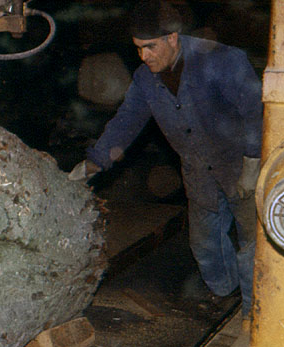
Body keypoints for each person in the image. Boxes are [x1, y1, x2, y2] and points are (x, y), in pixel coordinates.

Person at [71, 0, 262, 322]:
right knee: (205, 245)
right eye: (138, 49)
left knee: (254, 248)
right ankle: (224, 294)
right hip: (198, 171)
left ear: (173, 38)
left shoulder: (222, 60)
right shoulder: (146, 79)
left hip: (240, 167)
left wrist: (253, 163)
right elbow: (127, 120)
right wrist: (94, 163)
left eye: (150, 47)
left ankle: (252, 315)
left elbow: (255, 113)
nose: (144, 57)